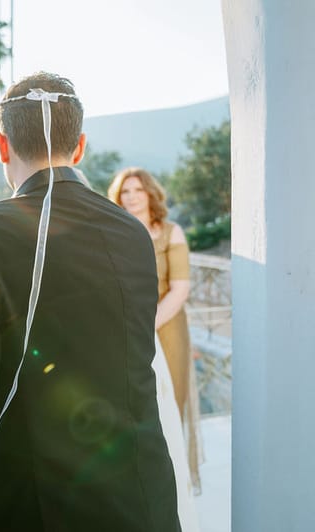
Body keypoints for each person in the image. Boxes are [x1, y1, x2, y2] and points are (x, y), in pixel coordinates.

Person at [0, 72, 179, 531]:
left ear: (2, 146)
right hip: (137, 495)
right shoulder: (131, 232)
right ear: (80, 146)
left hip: (31, 506)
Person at [108, 167, 202, 492]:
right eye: (125, 192)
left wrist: (145, 326)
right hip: (125, 329)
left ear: (150, 194)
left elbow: (180, 289)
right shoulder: (113, 232)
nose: (131, 197)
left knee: (169, 403)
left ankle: (172, 481)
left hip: (166, 326)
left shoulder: (171, 232)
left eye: (138, 190)